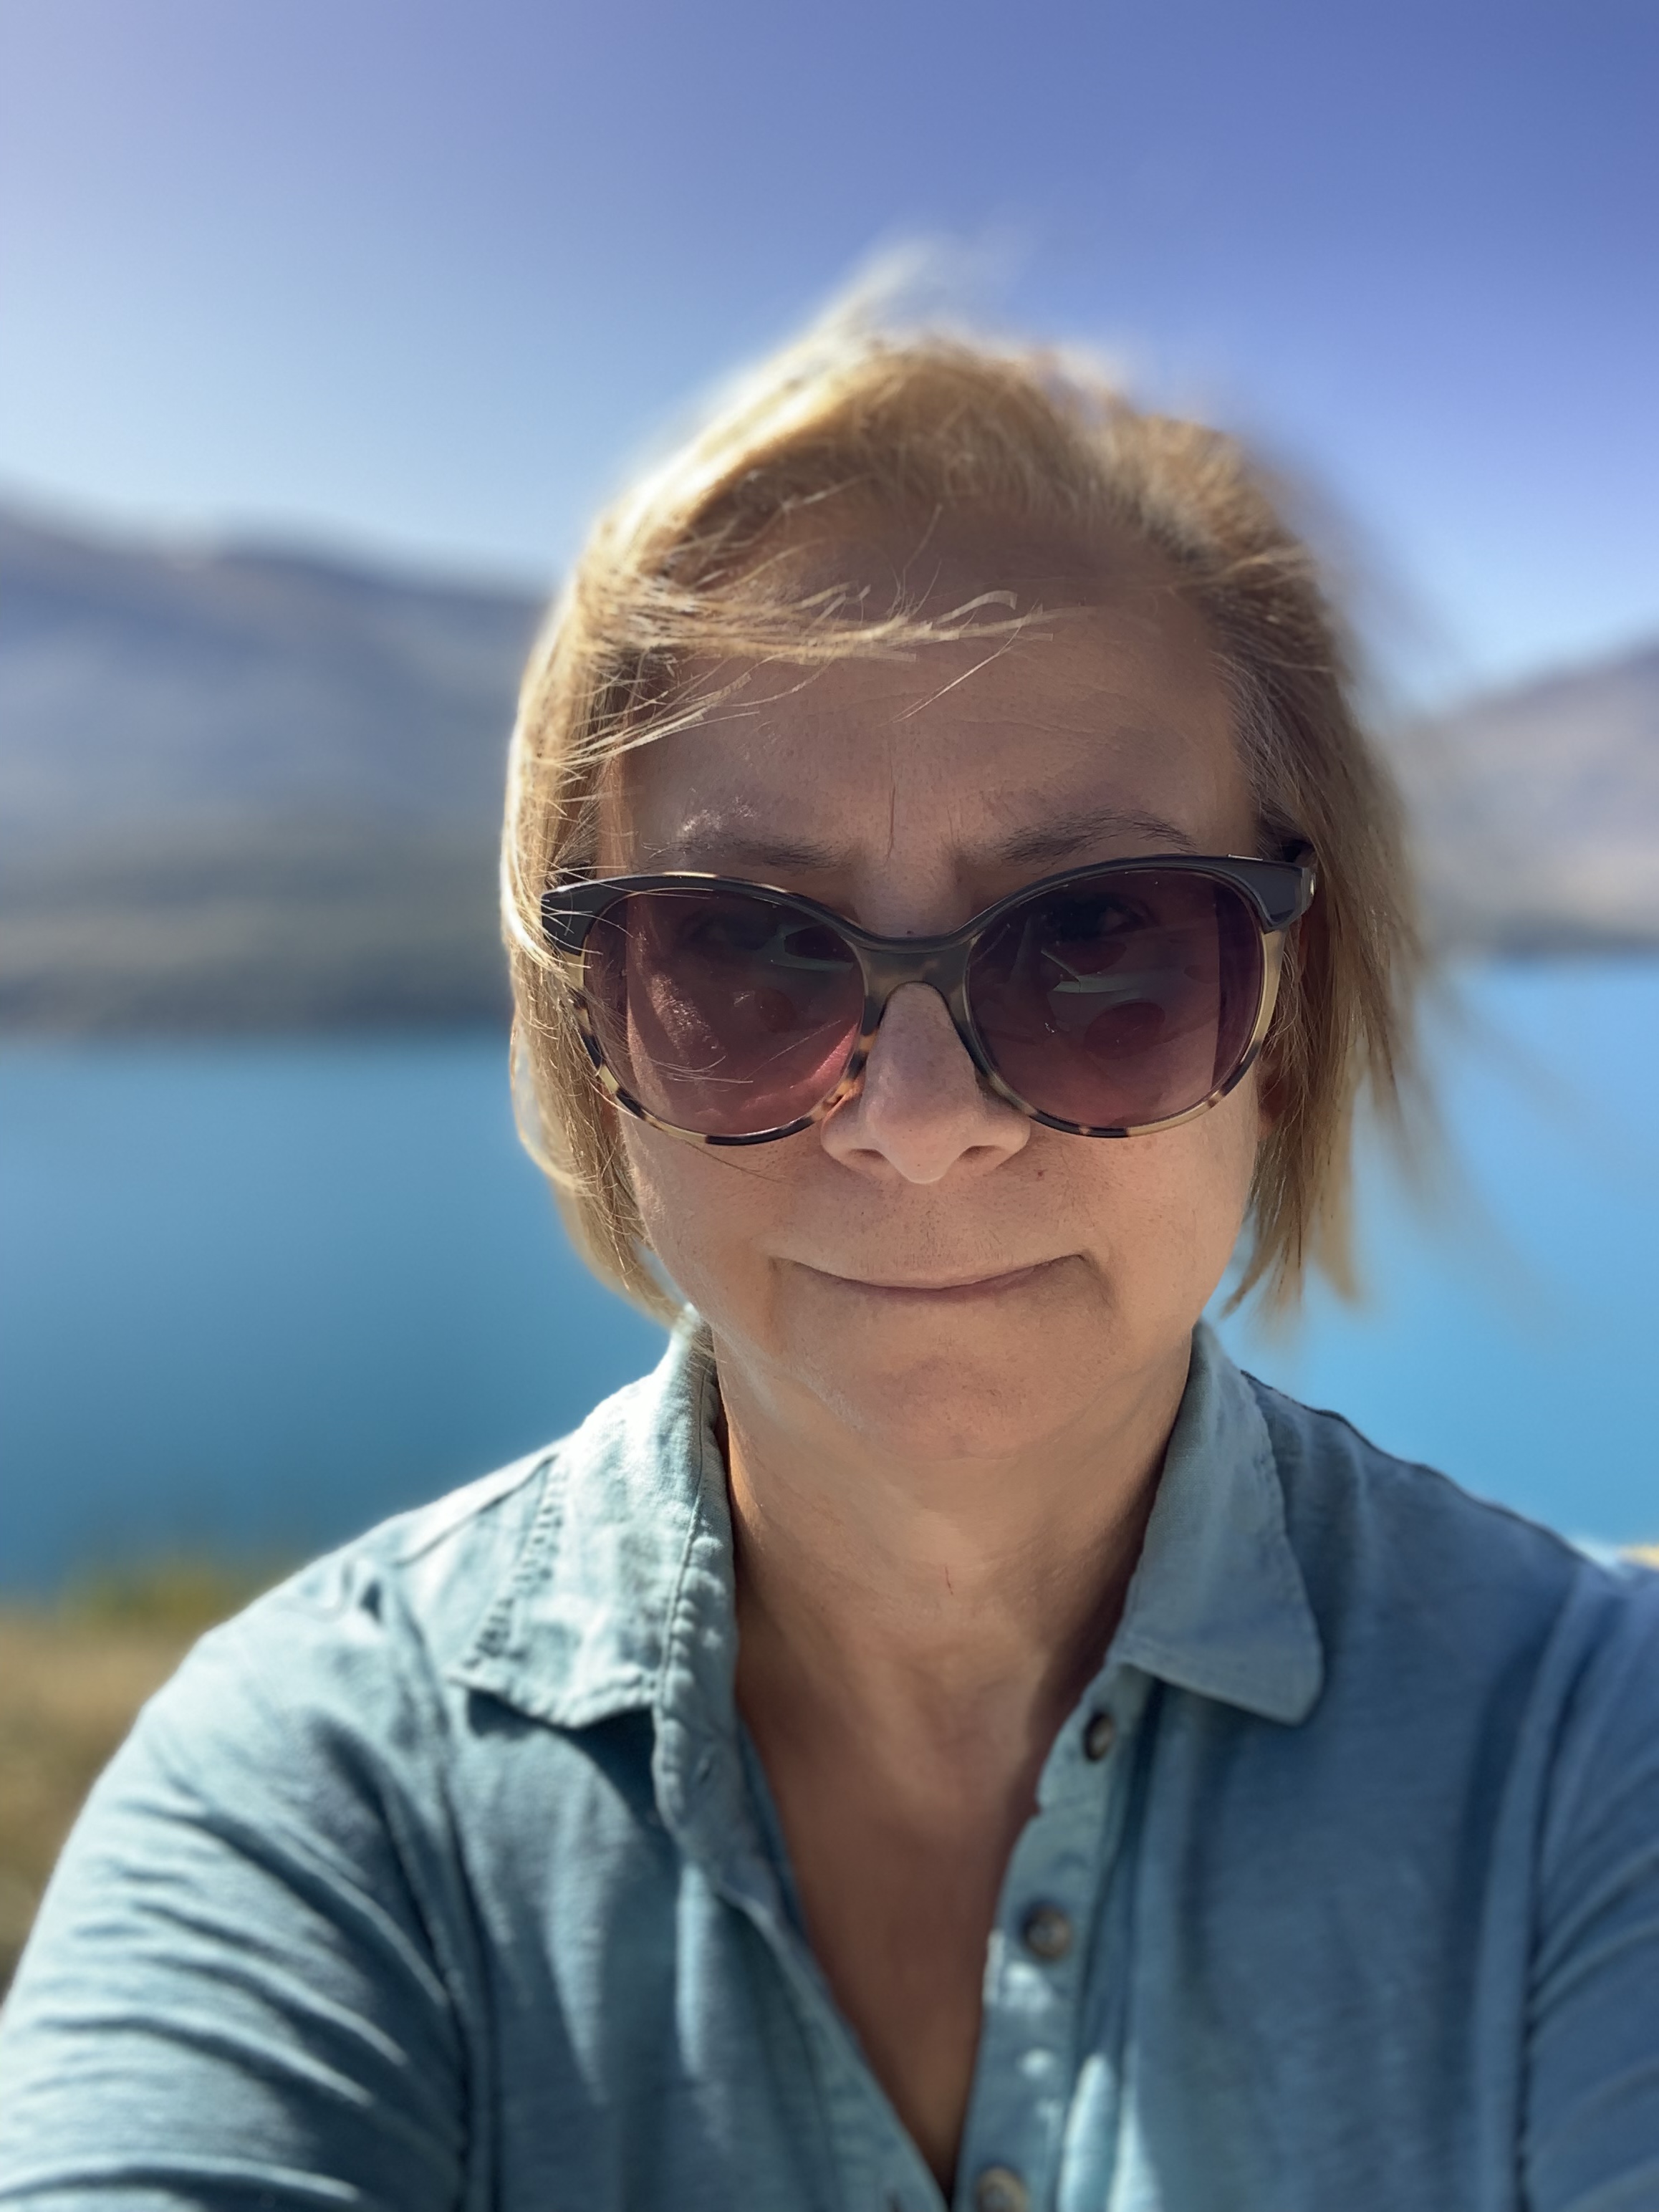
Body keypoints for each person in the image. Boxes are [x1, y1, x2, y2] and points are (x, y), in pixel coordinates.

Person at [4, 310, 1658, 2212]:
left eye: (1103, 941)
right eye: (741, 953)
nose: (917, 1123)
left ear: (1281, 1026)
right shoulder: (326, 1794)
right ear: (597, 1047)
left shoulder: (1584, 1758)